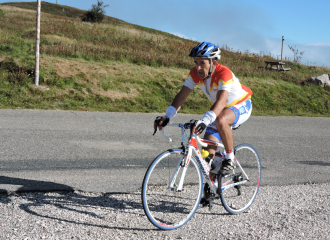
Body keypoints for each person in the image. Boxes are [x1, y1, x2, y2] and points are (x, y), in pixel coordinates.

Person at [154, 41, 253, 177]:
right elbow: (182, 95)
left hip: (241, 105)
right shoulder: (195, 74)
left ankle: (230, 160)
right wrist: (168, 116)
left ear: (213, 62)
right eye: (196, 62)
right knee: (208, 156)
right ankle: (210, 191)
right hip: (219, 110)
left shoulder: (224, 73)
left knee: (221, 120)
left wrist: (205, 121)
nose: (198, 67)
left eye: (202, 63)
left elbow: (222, 101)